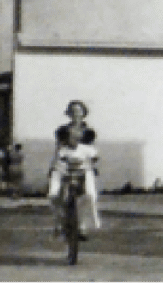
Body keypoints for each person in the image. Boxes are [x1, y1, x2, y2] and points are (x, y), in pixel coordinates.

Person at [45, 100, 101, 237]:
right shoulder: (62, 131)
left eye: (79, 110)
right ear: (69, 113)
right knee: (54, 194)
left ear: (84, 113)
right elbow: (58, 150)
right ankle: (59, 223)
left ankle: (82, 226)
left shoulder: (89, 132)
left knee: (90, 195)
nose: (76, 113)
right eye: (73, 111)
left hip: (83, 167)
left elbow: (93, 153)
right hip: (64, 166)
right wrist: (53, 165)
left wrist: (93, 165)